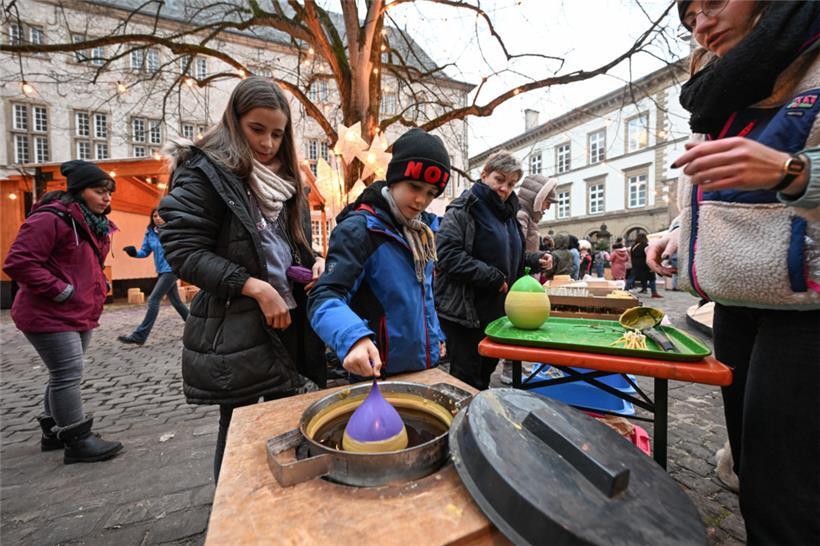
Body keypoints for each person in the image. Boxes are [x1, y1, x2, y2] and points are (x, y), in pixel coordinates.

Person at [645, 2, 820, 542]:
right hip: (736, 301)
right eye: (689, 15)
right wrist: (682, 228)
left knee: (784, 487)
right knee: (749, 466)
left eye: (714, 2)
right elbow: (723, 186)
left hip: (803, 313)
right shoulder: (722, 92)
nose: (701, 22)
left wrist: (793, 172)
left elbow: (781, 175)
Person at [157, 77, 326, 482]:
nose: (268, 142)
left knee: (290, 420)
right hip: (236, 323)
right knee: (240, 429)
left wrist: (316, 261)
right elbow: (184, 251)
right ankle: (233, 523)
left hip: (290, 320)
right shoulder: (204, 171)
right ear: (235, 121)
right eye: (257, 129)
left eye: (277, 133)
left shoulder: (288, 181)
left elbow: (293, 246)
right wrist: (254, 286)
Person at [3, 160, 123, 464]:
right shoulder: (51, 219)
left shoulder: (93, 223)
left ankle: (53, 431)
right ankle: (77, 441)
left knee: (62, 374)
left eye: (109, 192)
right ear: (79, 191)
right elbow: (19, 262)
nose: (107, 198)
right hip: (48, 312)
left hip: (77, 311)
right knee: (67, 374)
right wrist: (61, 290)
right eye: (99, 191)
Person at [308, 128, 448, 379]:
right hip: (375, 371)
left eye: (431, 193)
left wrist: (435, 335)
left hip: (423, 366)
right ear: (394, 179)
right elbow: (325, 296)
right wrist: (353, 339)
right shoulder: (359, 230)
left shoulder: (425, 233)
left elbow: (423, 295)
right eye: (414, 186)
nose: (420, 201)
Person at [435, 151, 553, 390]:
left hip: (494, 314)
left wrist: (536, 258)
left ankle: (477, 420)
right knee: (465, 381)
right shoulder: (463, 209)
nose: (504, 188)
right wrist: (491, 277)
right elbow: (447, 255)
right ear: (484, 174)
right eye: (499, 179)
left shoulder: (507, 215)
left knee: (484, 376)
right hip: (465, 315)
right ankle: (463, 424)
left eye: (510, 184)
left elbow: (513, 259)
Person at [117, 208, 189, 345]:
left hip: (172, 269)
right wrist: (133, 253)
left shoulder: (174, 231)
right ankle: (197, 326)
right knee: (177, 302)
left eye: (160, 215)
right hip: (162, 270)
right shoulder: (150, 233)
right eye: (154, 215)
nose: (157, 218)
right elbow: (144, 252)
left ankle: (140, 335)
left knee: (153, 300)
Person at [515, 174, 558, 252]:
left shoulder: (529, 217)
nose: (548, 208)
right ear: (538, 198)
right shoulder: (522, 216)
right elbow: (517, 251)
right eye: (548, 202)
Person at [628, 233, 661, 298]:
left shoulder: (634, 246)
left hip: (636, 264)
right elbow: (649, 255)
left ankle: (625, 290)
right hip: (645, 264)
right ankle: (654, 292)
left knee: (631, 277)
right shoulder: (646, 246)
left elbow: (631, 256)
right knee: (652, 278)